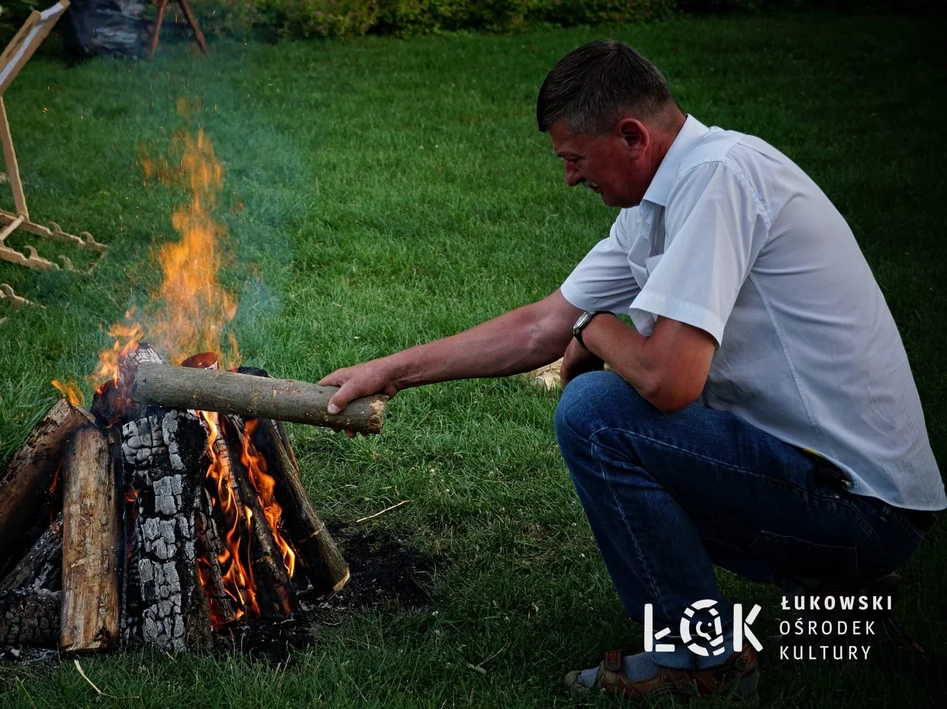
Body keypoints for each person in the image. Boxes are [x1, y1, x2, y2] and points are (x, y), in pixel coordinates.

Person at [319, 40, 944, 702]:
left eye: (575, 159)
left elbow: (667, 380)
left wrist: (596, 330)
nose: (568, 178)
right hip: (839, 486)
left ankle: (702, 661)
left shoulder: (720, 177)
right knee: (605, 399)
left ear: (631, 136)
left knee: (596, 415)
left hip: (864, 508)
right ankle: (825, 584)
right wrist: (390, 370)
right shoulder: (656, 205)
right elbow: (540, 325)